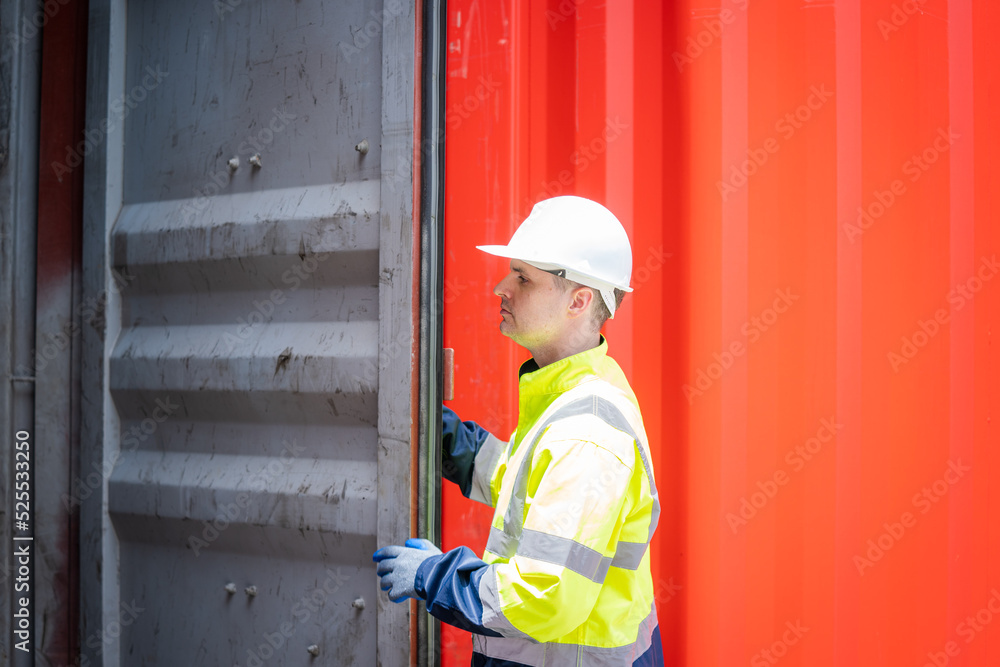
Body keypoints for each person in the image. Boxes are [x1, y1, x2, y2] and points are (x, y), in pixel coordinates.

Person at [374, 196, 663, 666]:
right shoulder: (572, 394)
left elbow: (542, 597)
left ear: (579, 300)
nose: (500, 287)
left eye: (523, 278)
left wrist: (434, 574)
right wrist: (439, 433)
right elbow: (523, 484)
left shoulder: (586, 434)